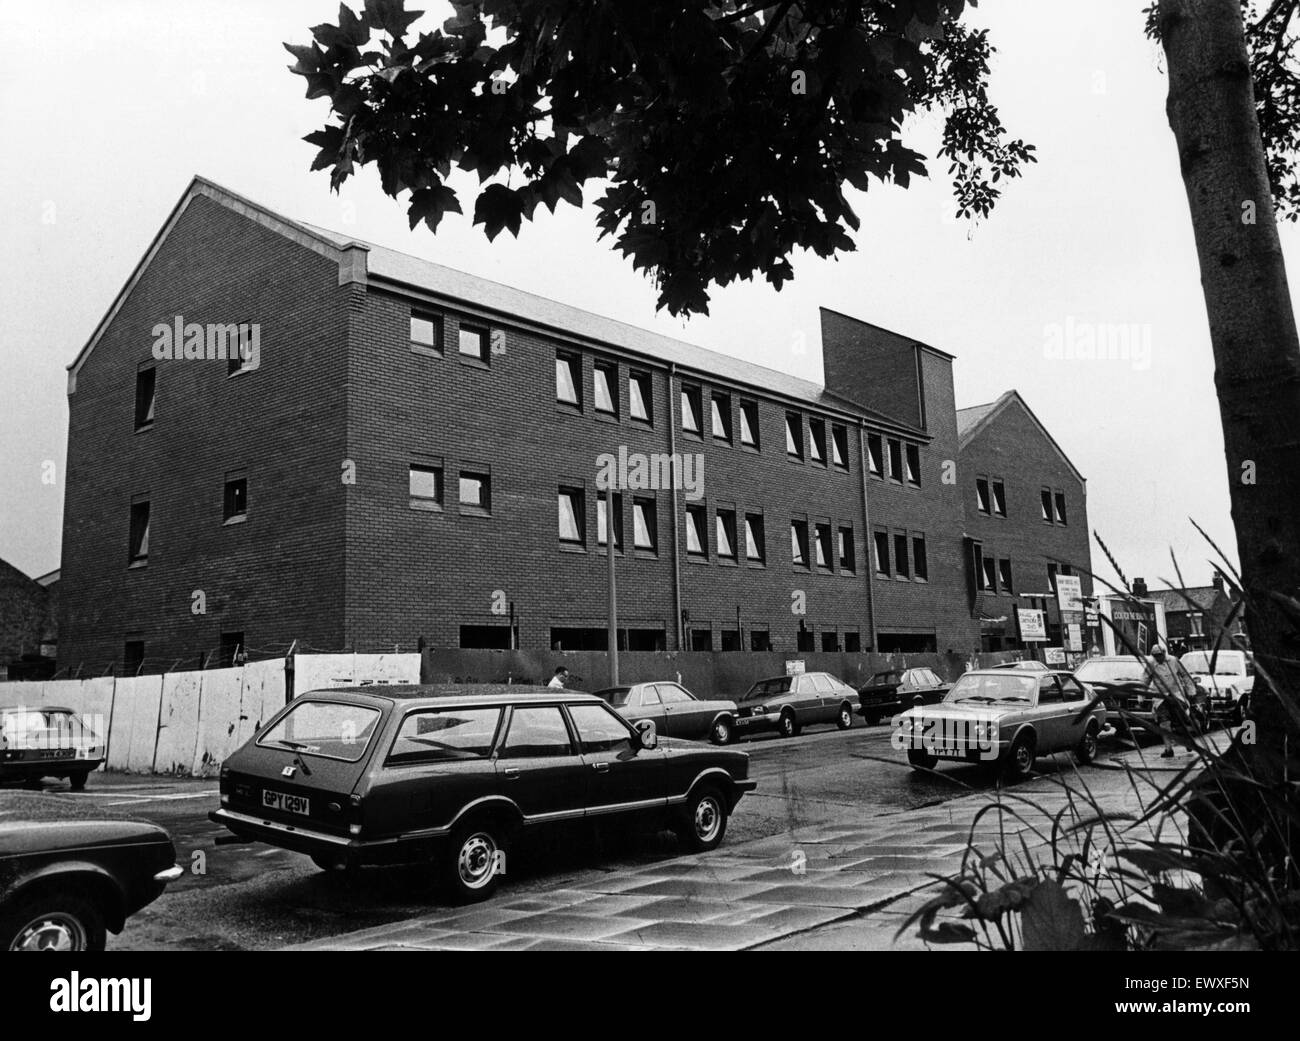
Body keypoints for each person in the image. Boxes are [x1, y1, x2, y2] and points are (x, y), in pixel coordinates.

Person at [1144, 643, 1195, 758]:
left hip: (1176, 695)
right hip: (1160, 697)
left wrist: (1190, 690)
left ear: (1164, 653)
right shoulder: (1151, 664)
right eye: (1155, 656)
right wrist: (1141, 695)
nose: (1158, 658)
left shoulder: (1174, 661)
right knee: (1164, 723)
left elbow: (1185, 675)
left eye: (1160, 655)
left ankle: (1187, 741)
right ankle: (1168, 749)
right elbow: (1145, 678)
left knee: (1180, 721)